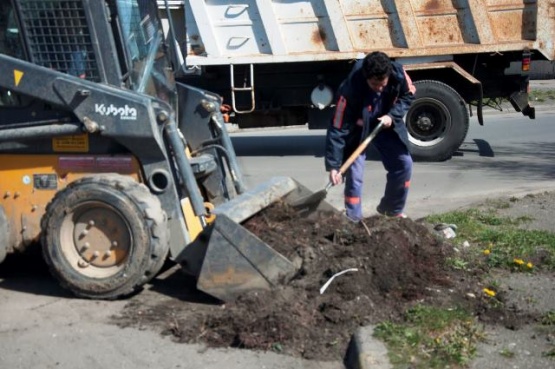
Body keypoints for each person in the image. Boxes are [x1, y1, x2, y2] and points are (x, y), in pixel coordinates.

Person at [324, 51, 416, 221]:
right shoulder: (350, 89)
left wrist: (392, 115)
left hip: (386, 123)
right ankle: (354, 219)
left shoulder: (398, 74)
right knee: (355, 175)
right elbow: (338, 127)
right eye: (374, 85)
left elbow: (408, 94)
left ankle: (391, 209)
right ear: (366, 78)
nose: (380, 89)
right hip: (358, 130)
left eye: (383, 84)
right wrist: (333, 166)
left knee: (404, 163)